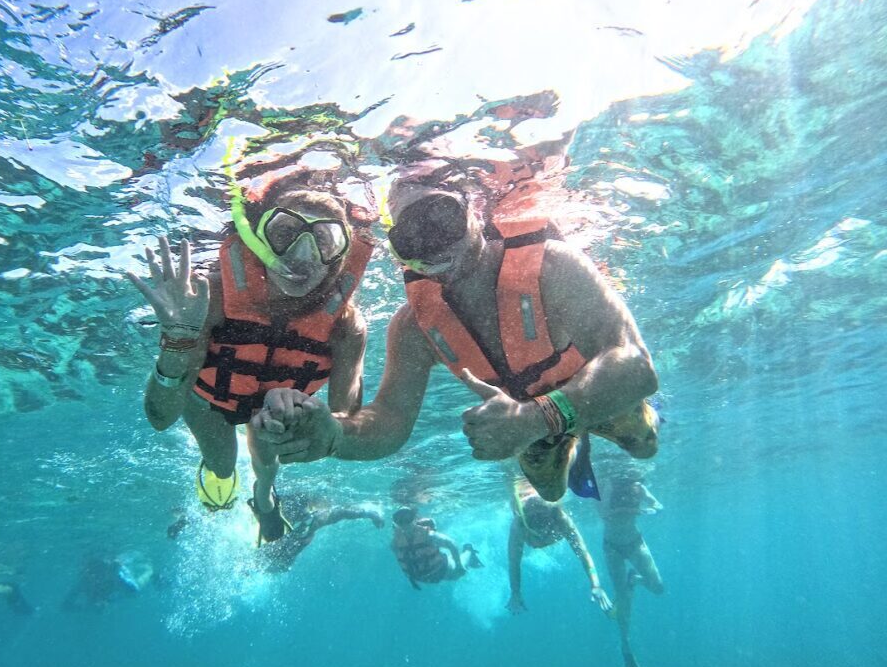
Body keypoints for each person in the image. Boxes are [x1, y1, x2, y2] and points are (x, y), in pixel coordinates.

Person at [250, 158, 660, 504]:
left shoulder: (552, 266)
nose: (434, 245)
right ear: (399, 250)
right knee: (550, 493)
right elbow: (390, 420)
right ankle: (569, 444)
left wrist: (538, 418)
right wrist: (336, 434)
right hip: (523, 418)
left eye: (442, 218)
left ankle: (579, 425)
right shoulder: (413, 326)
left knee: (645, 446)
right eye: (412, 235)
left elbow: (636, 366)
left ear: (474, 213)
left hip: (588, 393)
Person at [127, 164, 373, 542]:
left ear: (341, 256)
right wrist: (177, 340)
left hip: (275, 412)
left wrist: (312, 415)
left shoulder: (346, 327)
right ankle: (221, 477)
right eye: (284, 233)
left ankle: (264, 498)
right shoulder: (209, 299)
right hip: (208, 402)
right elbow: (160, 419)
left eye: (324, 241)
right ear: (257, 237)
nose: (302, 256)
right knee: (223, 466)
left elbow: (347, 421)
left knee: (267, 468)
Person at [166, 494, 385, 571]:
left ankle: (187, 517)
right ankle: (187, 517)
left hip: (279, 512)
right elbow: (339, 513)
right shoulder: (305, 528)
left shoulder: (258, 545)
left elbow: (339, 513)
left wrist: (369, 513)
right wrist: (368, 512)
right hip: (284, 508)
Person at [599, 471, 663, 667]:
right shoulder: (607, 485)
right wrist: (634, 510)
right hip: (612, 547)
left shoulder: (639, 487)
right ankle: (625, 644)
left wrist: (652, 509)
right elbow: (604, 514)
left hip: (635, 542)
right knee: (622, 598)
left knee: (658, 587)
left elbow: (658, 505)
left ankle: (634, 579)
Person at [507, 482, 611, 615]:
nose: (539, 520)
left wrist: (596, 584)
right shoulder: (518, 526)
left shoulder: (561, 519)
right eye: (534, 517)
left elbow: (583, 553)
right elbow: (514, 563)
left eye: (542, 517)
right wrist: (515, 592)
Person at [389, 507, 482, 589]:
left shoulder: (429, 536)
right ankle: (451, 557)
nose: (404, 523)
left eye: (408, 518)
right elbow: (405, 560)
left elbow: (451, 544)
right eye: (399, 520)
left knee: (457, 575)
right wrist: (411, 578)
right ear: (396, 523)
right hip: (422, 577)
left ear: (414, 519)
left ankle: (468, 550)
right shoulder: (395, 544)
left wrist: (459, 565)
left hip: (442, 569)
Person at [62, 551, 156, 612]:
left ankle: (151, 571)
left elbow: (134, 590)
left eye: (101, 571)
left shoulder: (116, 575)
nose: (98, 576)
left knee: (137, 583)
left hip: (113, 589)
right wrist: (84, 608)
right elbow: (66, 605)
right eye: (96, 572)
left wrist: (110, 601)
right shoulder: (85, 581)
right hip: (102, 595)